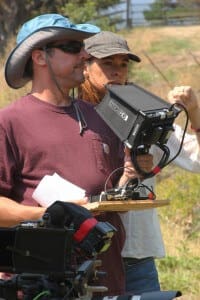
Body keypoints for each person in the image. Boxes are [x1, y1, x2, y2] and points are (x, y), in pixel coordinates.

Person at [0, 15, 136, 296]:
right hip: (41, 285)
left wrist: (132, 178)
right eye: (73, 48)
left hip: (107, 280)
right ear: (39, 57)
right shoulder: (9, 122)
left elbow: (115, 200)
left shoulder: (100, 118)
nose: (85, 55)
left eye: (83, 48)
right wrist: (52, 216)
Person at [78, 30, 200, 294]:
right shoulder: (72, 118)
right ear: (84, 67)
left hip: (137, 256)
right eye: (107, 63)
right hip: (87, 256)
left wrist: (196, 115)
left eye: (123, 64)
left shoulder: (146, 113)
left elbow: (197, 160)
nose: (117, 71)